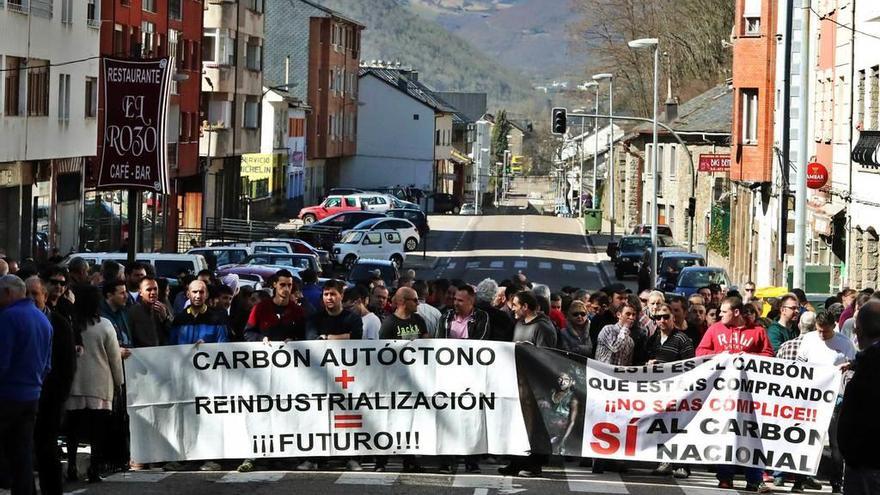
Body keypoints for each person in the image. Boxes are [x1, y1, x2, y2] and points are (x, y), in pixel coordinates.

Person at [696, 296, 773, 492]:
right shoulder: (714, 330)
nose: (719, 315)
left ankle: (754, 478)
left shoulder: (757, 332)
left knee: (751, 434)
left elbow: (769, 357)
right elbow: (700, 352)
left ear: (736, 312)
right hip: (724, 395)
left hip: (751, 397)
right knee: (725, 433)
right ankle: (724, 476)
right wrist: (722, 357)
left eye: (724, 311)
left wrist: (748, 357)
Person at [65, 285, 124, 483]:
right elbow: (114, 358)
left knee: (72, 429)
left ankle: (71, 465)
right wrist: (119, 382)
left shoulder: (71, 324)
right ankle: (93, 467)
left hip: (74, 384)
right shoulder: (105, 325)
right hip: (99, 385)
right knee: (97, 431)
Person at [0, 275, 53, 495]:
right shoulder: (43, 320)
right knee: (22, 451)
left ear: (8, 293)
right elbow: (47, 365)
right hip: (32, 394)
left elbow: (2, 360)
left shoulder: (9, 317)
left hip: (7, 393)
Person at [792, 311, 855, 493]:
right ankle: (799, 479)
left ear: (834, 326)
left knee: (835, 442)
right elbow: (799, 364)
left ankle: (836, 482)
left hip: (834, 399)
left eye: (825, 332)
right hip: (810, 397)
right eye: (819, 331)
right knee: (804, 439)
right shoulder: (809, 339)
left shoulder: (844, 343)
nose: (822, 335)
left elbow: (852, 368)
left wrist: (846, 370)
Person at [25, 277, 77, 495]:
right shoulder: (19, 321)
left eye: (34, 294)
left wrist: (59, 397)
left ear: (45, 297)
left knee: (47, 450)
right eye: (26, 294)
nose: (29, 299)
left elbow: (67, 365)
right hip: (24, 398)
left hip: (50, 399)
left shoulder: (59, 324)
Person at [645, 302, 694, 479]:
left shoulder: (682, 339)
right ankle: (664, 461)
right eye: (658, 317)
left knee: (679, 427)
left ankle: (682, 465)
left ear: (673, 318)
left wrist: (664, 366)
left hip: (679, 391)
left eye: (666, 316)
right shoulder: (652, 339)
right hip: (658, 391)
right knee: (661, 426)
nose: (662, 320)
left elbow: (690, 364)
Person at [838, 300, 880, 495]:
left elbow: (857, 415)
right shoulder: (864, 363)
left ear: (859, 331)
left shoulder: (869, 366)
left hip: (866, 463)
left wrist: (852, 454)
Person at [243, 270, 306, 343]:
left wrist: (294, 340)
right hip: (265, 352)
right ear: (275, 284)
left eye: (289, 285)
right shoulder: (260, 308)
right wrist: (261, 338)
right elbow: (248, 333)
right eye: (282, 285)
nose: (286, 289)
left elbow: (303, 335)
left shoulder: (298, 310)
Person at [167, 280, 229, 345]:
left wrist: (208, 347)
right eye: (194, 292)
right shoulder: (179, 319)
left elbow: (223, 345)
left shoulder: (218, 320)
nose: (198, 296)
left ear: (207, 295)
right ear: (188, 294)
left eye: (201, 292)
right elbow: (172, 346)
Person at [127, 277, 171, 347]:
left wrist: (165, 318)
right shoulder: (133, 312)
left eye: (155, 289)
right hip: (141, 353)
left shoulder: (163, 308)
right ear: (140, 292)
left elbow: (171, 333)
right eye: (149, 289)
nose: (153, 292)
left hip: (162, 352)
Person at [595, 302, 638, 366]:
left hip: (618, 375)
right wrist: (625, 327)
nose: (631, 317)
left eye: (633, 315)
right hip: (603, 373)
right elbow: (615, 348)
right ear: (618, 314)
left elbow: (628, 364)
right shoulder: (608, 329)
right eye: (628, 314)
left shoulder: (630, 341)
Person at [100, 280, 131, 348]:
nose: (126, 296)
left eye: (126, 292)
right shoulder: (101, 317)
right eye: (122, 293)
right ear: (110, 295)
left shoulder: (125, 312)